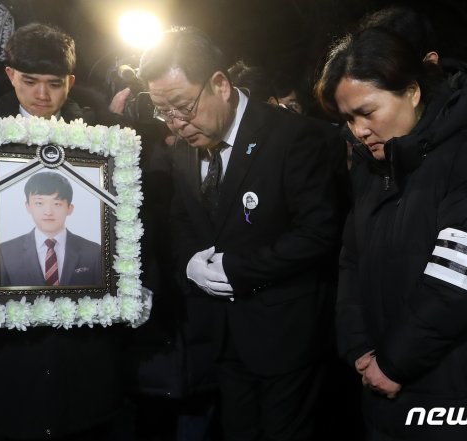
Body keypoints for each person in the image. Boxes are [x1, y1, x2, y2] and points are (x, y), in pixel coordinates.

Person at [315, 28, 467, 440]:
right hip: (383, 383)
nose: (358, 131)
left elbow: (462, 281)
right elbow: (351, 261)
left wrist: (395, 363)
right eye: (347, 119)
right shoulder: (371, 166)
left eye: (367, 112)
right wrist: (358, 346)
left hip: (463, 394)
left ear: (412, 91)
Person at [139, 27, 340, 441]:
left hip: (284, 336)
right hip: (222, 337)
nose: (177, 124)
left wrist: (239, 270)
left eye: (183, 106)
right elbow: (181, 219)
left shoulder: (290, 136)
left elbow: (319, 232)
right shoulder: (182, 149)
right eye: (163, 112)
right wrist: (192, 263)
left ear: (220, 85)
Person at [0, 22, 132, 441]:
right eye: (30, 82)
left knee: (80, 413)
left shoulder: (99, 137)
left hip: (82, 325)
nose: (42, 95)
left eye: (54, 84)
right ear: (10, 76)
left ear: (71, 82)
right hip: (6, 326)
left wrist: (133, 282)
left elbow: (124, 217)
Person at [0, 171, 102, 287]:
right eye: (39, 203)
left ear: (69, 208)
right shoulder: (5, 252)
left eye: (57, 204)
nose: (48, 212)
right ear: (28, 207)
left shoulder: (94, 252)